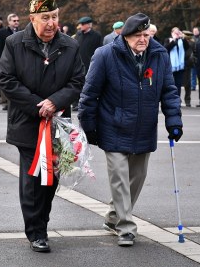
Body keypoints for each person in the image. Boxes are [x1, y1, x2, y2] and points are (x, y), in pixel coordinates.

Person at [78, 13, 183, 247]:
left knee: (137, 177)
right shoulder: (105, 55)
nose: (143, 40)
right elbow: (89, 93)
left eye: (146, 35)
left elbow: (168, 90)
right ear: (125, 36)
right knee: (119, 178)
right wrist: (89, 125)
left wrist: (174, 121)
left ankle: (113, 216)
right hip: (113, 126)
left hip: (144, 127)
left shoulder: (159, 55)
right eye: (138, 36)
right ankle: (125, 227)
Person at [0, 0, 85, 252]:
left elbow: (78, 81)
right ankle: (36, 231)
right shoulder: (14, 43)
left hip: (58, 122)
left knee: (51, 178)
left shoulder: (70, 45)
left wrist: (55, 102)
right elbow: (6, 80)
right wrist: (39, 105)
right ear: (32, 18)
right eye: (45, 17)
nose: (51, 23)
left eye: (55, 17)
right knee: (32, 179)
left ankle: (41, 222)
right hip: (27, 122)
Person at [73, 16, 102, 110]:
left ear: (89, 25)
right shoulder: (78, 35)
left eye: (82, 24)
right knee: (77, 82)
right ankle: (76, 103)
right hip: (78, 64)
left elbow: (99, 50)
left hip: (90, 64)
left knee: (88, 84)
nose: (80, 26)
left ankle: (86, 102)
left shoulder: (96, 35)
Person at [0, 13, 20, 110]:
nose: (16, 22)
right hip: (5, 61)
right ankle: (5, 101)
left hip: (17, 62)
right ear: (9, 22)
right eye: (14, 21)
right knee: (6, 82)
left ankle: (13, 101)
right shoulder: (2, 32)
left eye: (17, 20)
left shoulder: (21, 32)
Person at [164, 27, 190, 99]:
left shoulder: (182, 40)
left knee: (178, 84)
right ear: (172, 33)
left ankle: (177, 98)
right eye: (175, 33)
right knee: (171, 83)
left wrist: (183, 38)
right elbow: (166, 48)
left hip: (180, 66)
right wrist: (174, 40)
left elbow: (187, 47)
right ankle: (171, 98)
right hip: (171, 66)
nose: (177, 34)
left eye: (178, 33)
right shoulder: (168, 40)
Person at [182, 30, 196, 107]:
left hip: (187, 65)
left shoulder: (191, 43)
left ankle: (187, 100)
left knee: (187, 84)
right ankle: (187, 100)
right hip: (182, 65)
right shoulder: (181, 41)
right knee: (185, 84)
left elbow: (193, 53)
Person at [191, 26, 200, 90]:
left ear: (198, 31)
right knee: (193, 74)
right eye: (194, 31)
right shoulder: (191, 38)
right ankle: (193, 86)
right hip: (193, 59)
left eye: (196, 31)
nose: (195, 32)